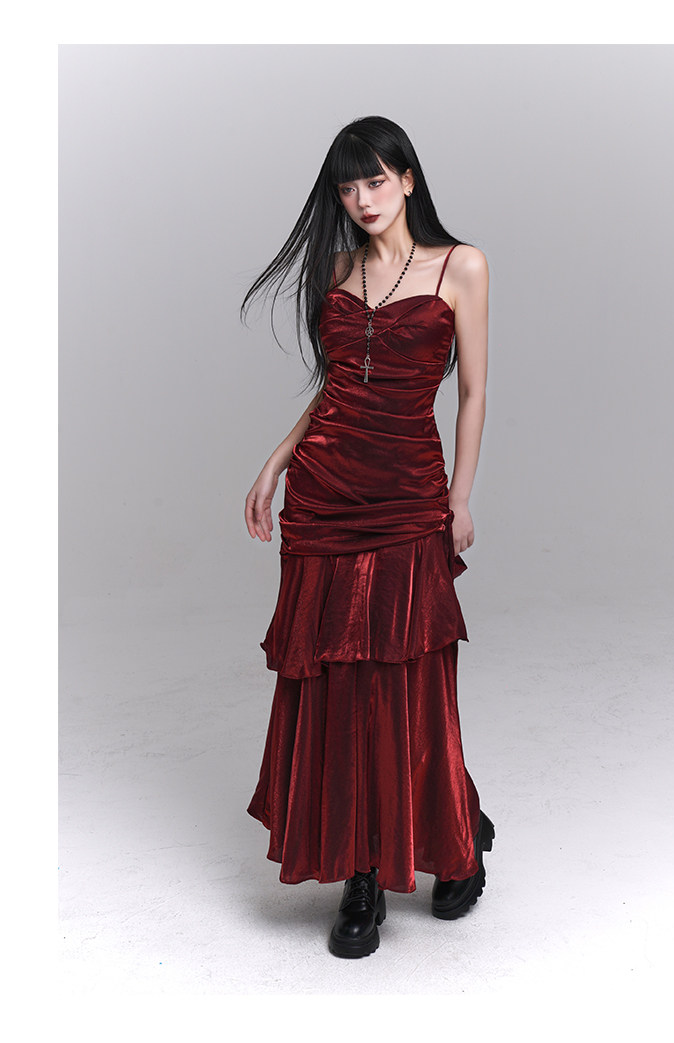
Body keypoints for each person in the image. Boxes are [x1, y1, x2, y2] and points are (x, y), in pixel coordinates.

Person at [241, 115, 492, 959]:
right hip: (325, 494)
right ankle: (360, 873)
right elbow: (336, 386)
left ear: (409, 179)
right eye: (348, 187)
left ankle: (454, 828)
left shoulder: (462, 266)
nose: (361, 199)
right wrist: (277, 460)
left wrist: (460, 495)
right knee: (339, 682)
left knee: (409, 675)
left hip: (408, 493)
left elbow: (472, 393)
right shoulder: (339, 270)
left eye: (376, 180)